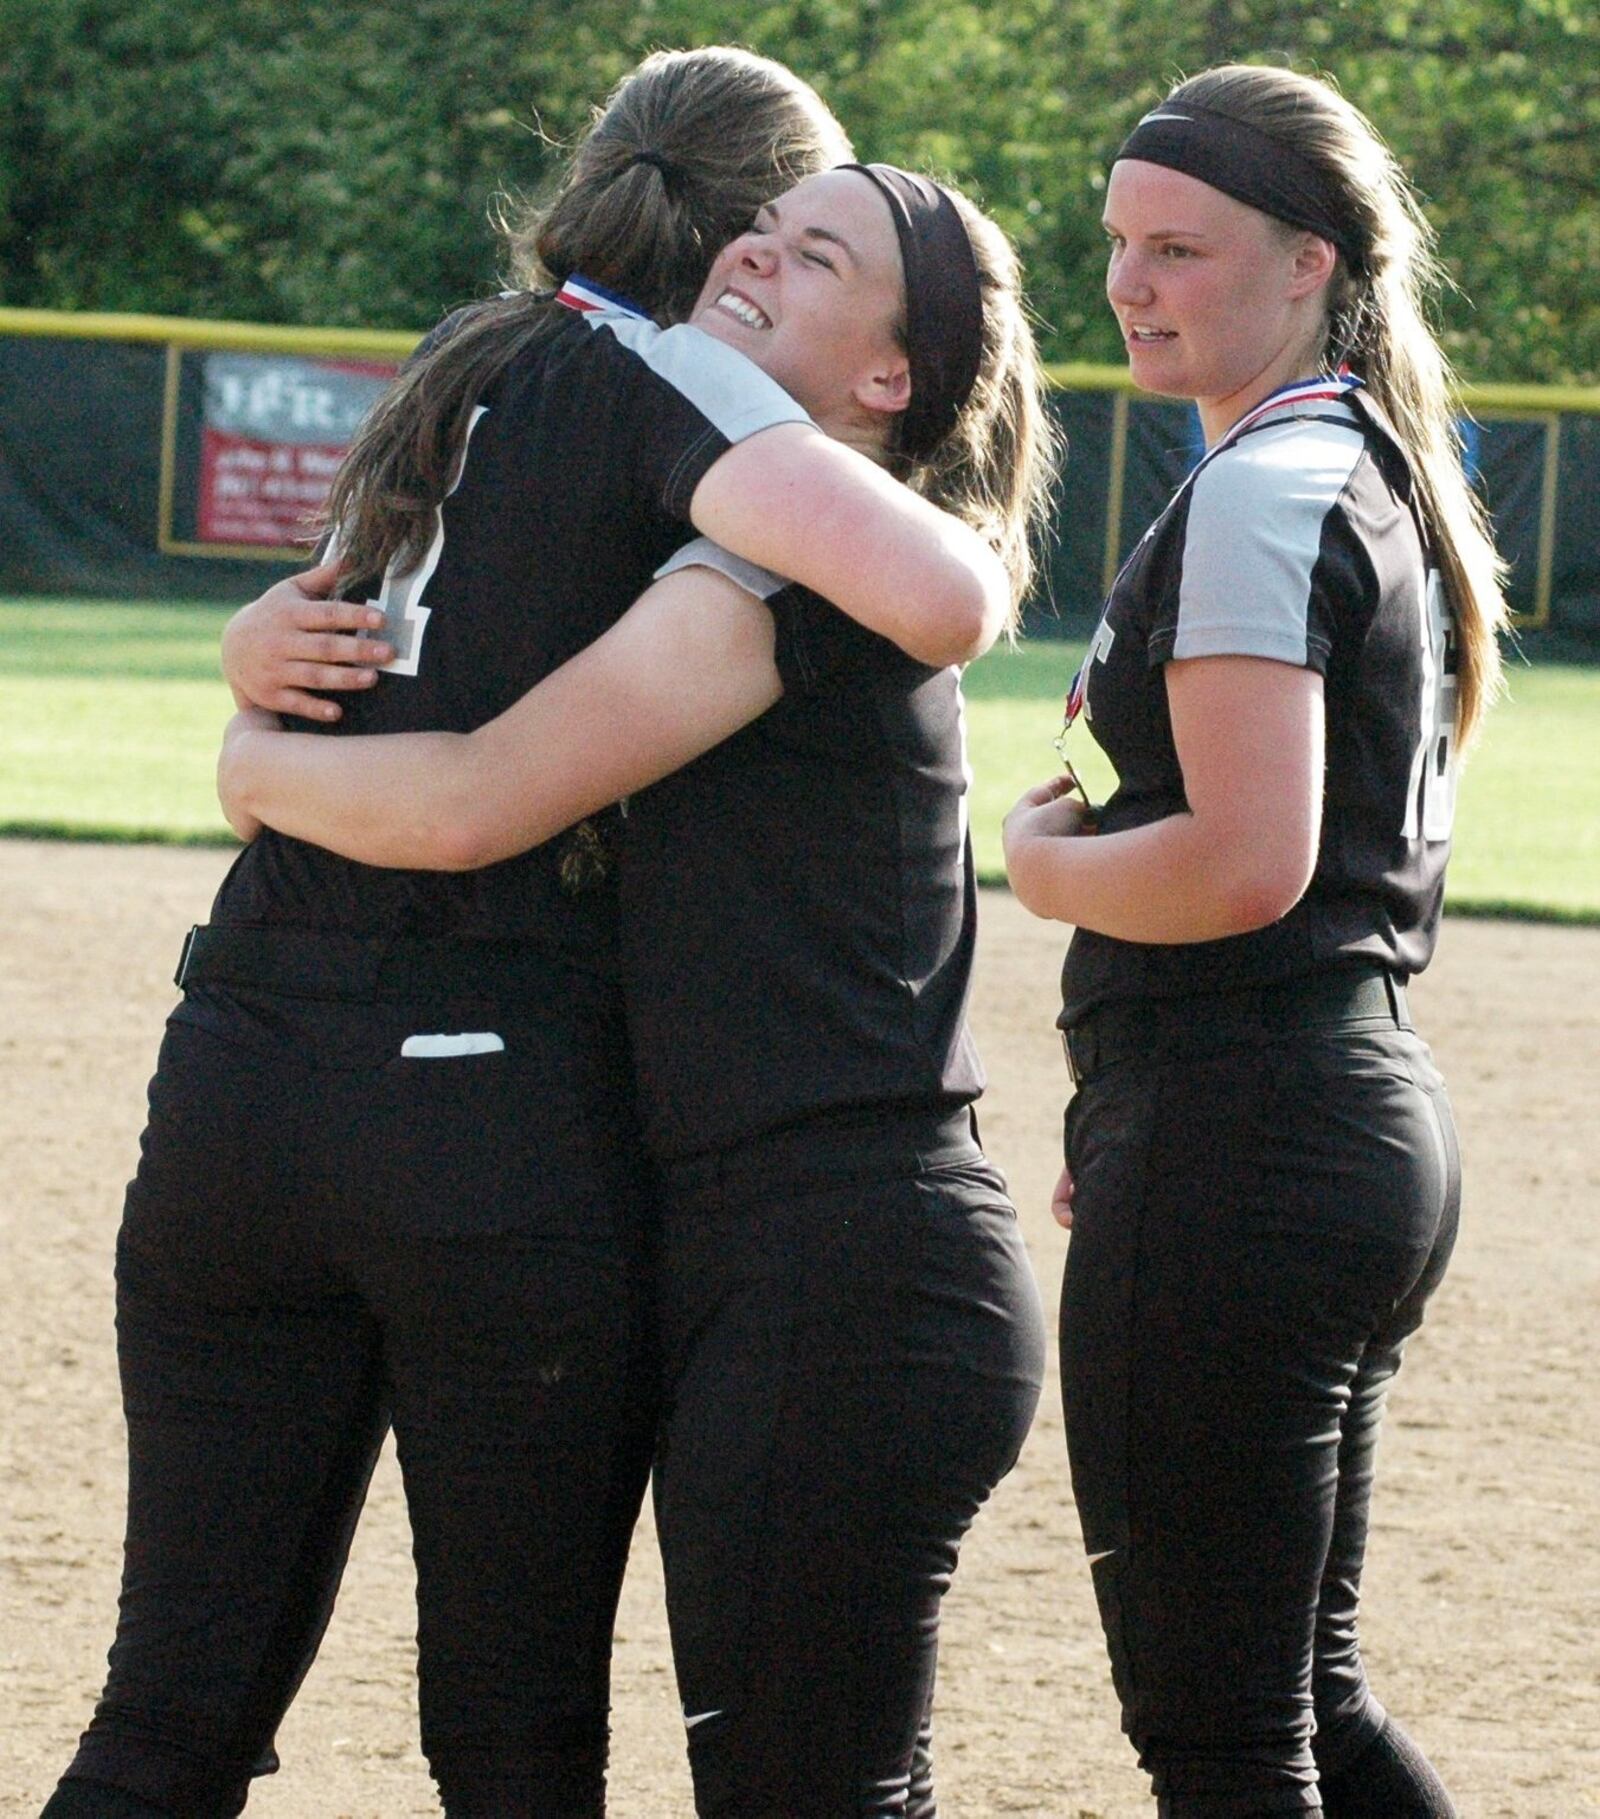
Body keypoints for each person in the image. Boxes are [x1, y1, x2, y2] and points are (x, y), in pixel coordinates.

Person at [42, 52, 1019, 1819]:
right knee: (510, 1737)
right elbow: (950, 593)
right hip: (485, 1096)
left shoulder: (461, 359)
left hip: (237, 1064)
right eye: (780, 235)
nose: (771, 271)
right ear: (728, 243)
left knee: (165, 1717)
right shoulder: (670, 385)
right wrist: (249, 732)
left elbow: (369, 643)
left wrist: (244, 736)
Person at [1002, 63, 1506, 1819]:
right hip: (1308, 1116)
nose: (1132, 283)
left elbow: (1238, 867)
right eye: (1120, 246)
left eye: (1181, 249)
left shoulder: (1272, 482)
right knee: (1305, 1713)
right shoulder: (1353, 461)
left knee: (1227, 1748)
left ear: (1310, 262)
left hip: (1254, 1131)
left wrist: (1041, 865)